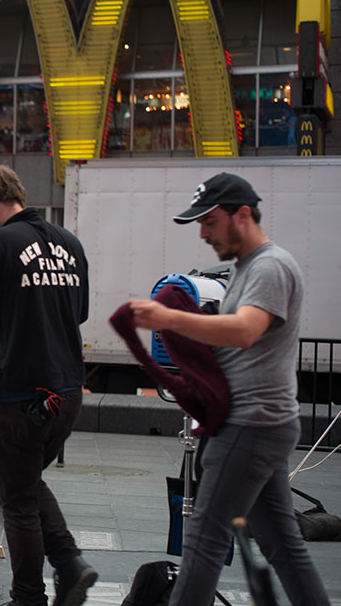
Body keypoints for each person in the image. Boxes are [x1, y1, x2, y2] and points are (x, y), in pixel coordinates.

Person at [129, 173, 329, 606]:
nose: (203, 233)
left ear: (242, 215)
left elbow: (244, 331)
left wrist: (170, 320)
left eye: (210, 221)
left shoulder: (270, 266)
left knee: (203, 543)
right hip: (262, 423)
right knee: (284, 548)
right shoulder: (247, 268)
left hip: (248, 425)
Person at [0, 164, 95, 606]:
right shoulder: (69, 242)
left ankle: (31, 595)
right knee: (27, 480)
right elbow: (81, 312)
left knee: (16, 499)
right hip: (67, 390)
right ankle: (70, 564)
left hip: (20, 394)